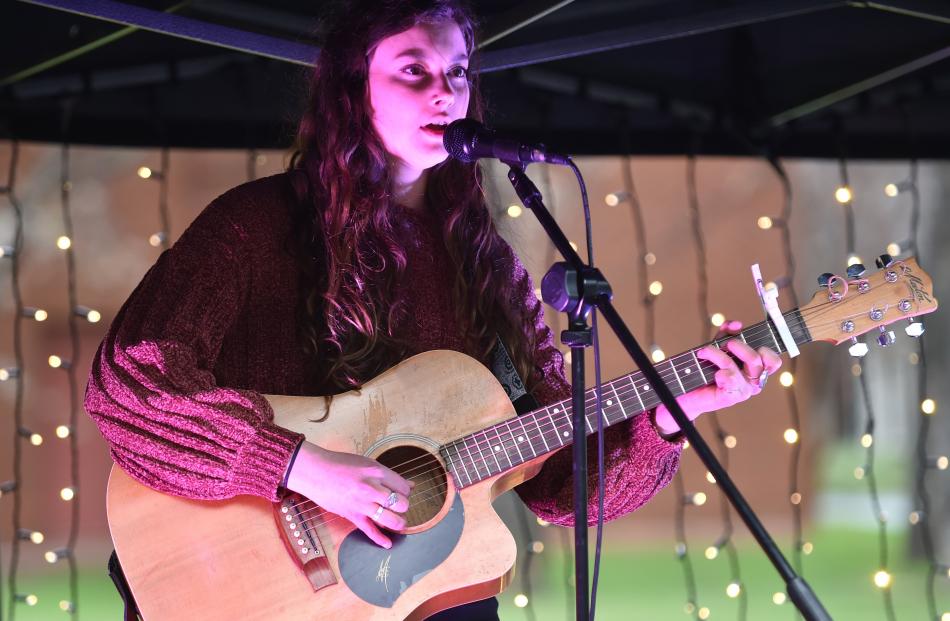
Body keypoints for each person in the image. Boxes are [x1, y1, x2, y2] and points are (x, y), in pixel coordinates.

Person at [84, 1, 781, 619]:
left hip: (421, 586)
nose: (444, 93)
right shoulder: (255, 226)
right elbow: (131, 383)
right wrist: (299, 466)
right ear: (352, 90)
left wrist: (669, 411)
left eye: (457, 72)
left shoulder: (486, 267)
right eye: (414, 70)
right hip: (250, 575)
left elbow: (561, 482)